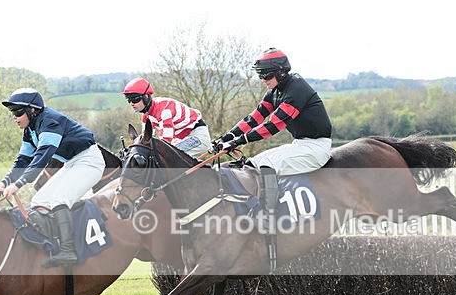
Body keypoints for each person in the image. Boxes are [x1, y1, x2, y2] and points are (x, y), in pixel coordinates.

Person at [211, 48, 333, 222]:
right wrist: (226, 138)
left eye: (266, 76)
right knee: (254, 162)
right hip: (300, 144)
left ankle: (268, 216)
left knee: (266, 164)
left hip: (316, 147)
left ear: (281, 73)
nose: (263, 80)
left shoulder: (296, 88)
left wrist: (238, 141)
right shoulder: (275, 91)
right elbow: (254, 118)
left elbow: (273, 126)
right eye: (260, 76)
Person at [0, 88, 104, 268]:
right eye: (12, 113)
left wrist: (19, 184)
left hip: (89, 161)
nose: (14, 117)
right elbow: (23, 160)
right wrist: (4, 181)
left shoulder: (50, 122)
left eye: (17, 112)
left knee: (59, 199)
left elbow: (43, 156)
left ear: (33, 110)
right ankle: (53, 244)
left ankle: (68, 250)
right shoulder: (29, 131)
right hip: (71, 163)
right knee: (39, 199)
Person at [122, 78, 212, 158]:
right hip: (182, 138)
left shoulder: (164, 111)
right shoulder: (146, 115)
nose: (132, 104)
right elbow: (146, 140)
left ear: (146, 96)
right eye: (128, 100)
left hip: (198, 136)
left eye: (135, 99)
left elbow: (165, 143)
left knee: (168, 157)